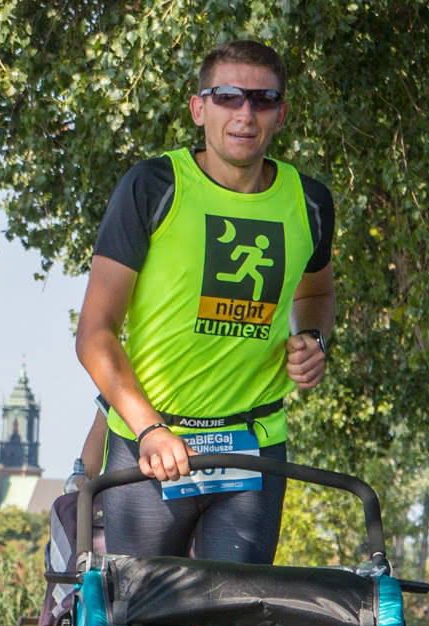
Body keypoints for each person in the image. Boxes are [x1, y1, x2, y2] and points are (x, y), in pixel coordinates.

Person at [75, 38, 335, 564]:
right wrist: (149, 428)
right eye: (227, 97)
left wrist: (313, 338)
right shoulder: (154, 186)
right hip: (152, 445)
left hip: (253, 443)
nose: (245, 113)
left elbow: (317, 290)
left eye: (262, 100)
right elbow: (94, 333)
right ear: (199, 108)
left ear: (281, 114)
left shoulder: (309, 201)